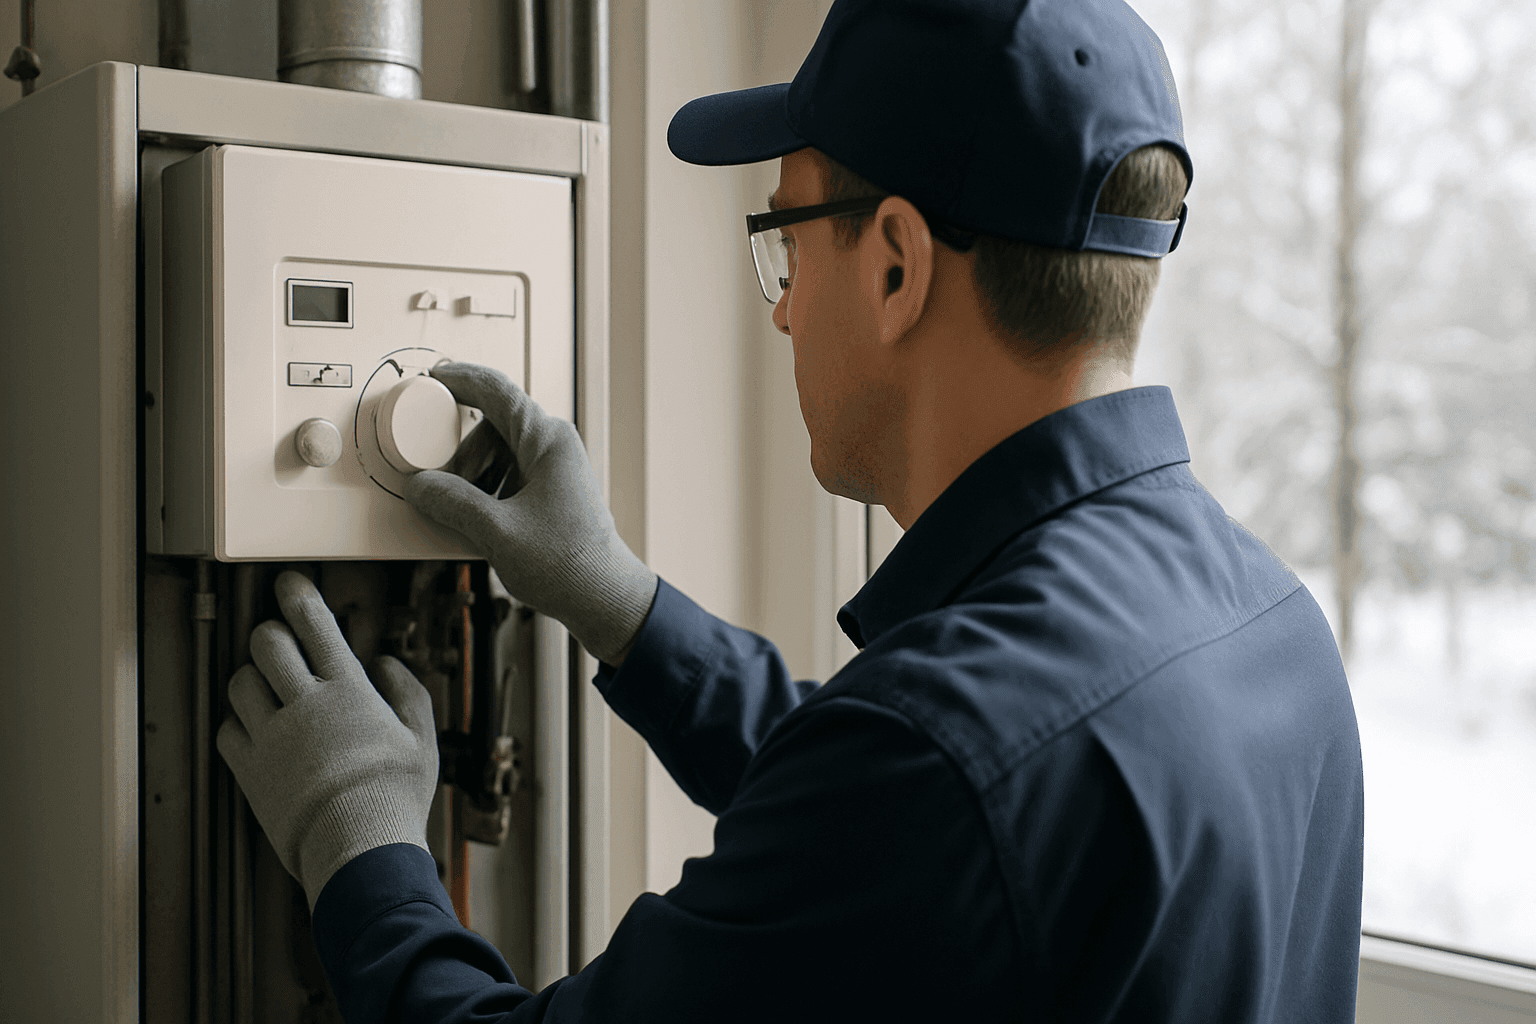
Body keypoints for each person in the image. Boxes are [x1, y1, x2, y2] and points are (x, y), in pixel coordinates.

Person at [216, 0, 1365, 1020]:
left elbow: (922, 792)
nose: (779, 312)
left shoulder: (937, 762)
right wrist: (618, 599)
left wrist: (355, 831)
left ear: (898, 266)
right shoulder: (1273, 629)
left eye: (787, 238)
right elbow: (924, 811)